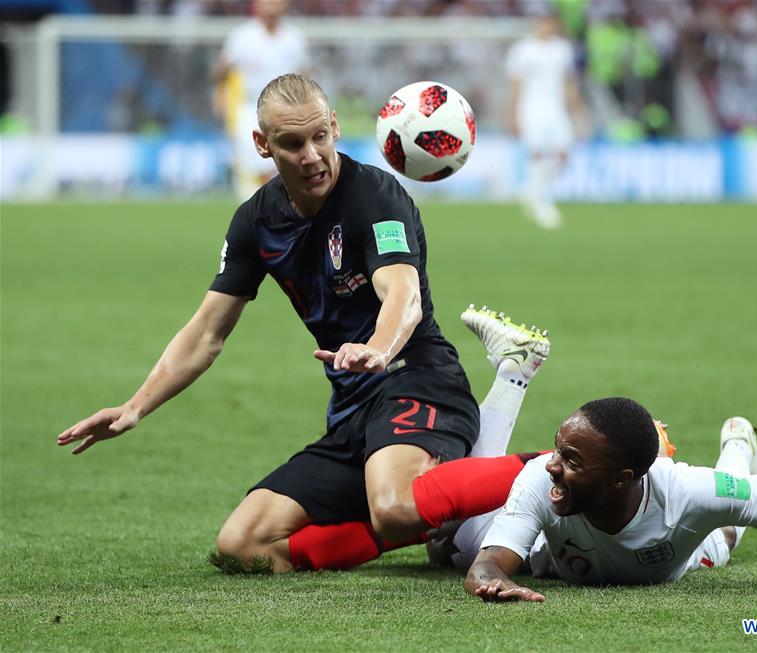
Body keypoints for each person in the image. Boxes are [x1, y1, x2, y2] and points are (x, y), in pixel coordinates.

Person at [57, 72, 550, 574]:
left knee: (394, 506)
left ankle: (557, 467)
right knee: (243, 544)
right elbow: (207, 332)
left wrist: (378, 348)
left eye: (319, 136)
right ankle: (433, 522)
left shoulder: (375, 195)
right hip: (351, 410)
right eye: (292, 143)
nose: (311, 155)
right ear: (262, 145)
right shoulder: (256, 221)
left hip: (416, 381)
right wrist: (136, 406)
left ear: (335, 126)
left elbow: (402, 294)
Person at [463, 398, 757, 600]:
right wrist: (494, 583)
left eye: (570, 460)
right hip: (549, 560)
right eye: (556, 450)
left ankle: (739, 442)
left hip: (689, 554)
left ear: (622, 479)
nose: (551, 465)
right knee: (451, 544)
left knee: (726, 529)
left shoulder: (688, 493)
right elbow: (485, 568)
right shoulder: (540, 480)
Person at [212, 0, 311, 198]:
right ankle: (268, 207)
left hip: (286, 110)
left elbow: (305, 76)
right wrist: (221, 92)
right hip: (251, 109)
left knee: (281, 166)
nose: (271, 6)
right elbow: (221, 71)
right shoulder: (242, 37)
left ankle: (273, 208)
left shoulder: (294, 38)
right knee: (260, 164)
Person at [505, 11, 588, 229]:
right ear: (538, 24)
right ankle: (543, 203)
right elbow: (515, 84)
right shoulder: (523, 50)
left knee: (563, 152)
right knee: (538, 153)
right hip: (531, 108)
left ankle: (531, 191)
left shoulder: (562, 50)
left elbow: (569, 83)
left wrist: (577, 109)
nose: (547, 28)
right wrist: (512, 113)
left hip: (556, 108)